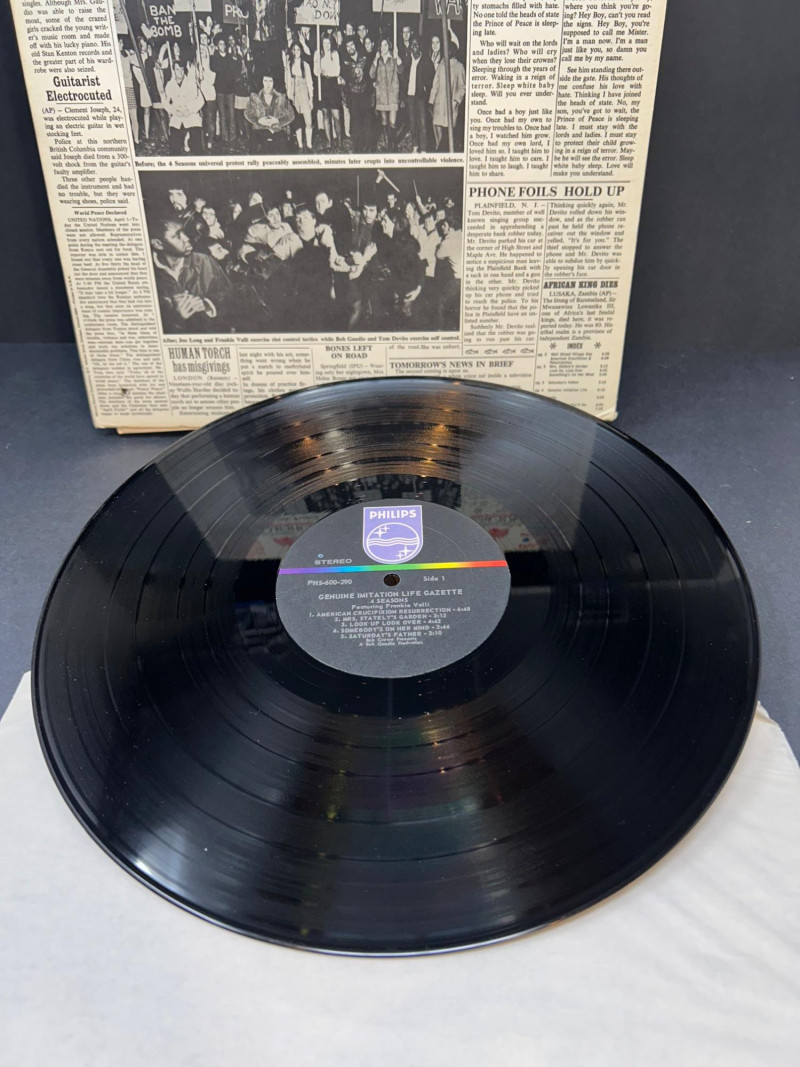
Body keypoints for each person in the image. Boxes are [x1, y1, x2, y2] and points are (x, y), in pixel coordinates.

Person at [150, 216, 232, 332]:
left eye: (183, 232)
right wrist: (174, 317)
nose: (186, 238)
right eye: (177, 235)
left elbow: (230, 296)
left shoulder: (204, 261)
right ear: (158, 244)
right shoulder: (149, 273)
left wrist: (207, 304)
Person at [429, 42, 466, 150]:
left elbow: (463, 87)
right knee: (437, 127)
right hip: (439, 104)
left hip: (451, 106)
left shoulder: (459, 67)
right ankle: (438, 150)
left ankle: (445, 151)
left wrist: (456, 101)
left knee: (448, 133)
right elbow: (435, 85)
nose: (447, 52)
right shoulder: (441, 65)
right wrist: (431, 101)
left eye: (449, 50)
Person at [163, 62, 204, 154]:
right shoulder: (170, 85)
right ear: (173, 71)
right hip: (177, 116)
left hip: (191, 115)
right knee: (174, 147)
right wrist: (173, 111)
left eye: (182, 69)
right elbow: (165, 102)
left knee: (197, 147)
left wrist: (190, 110)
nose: (180, 72)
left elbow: (201, 100)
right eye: (177, 69)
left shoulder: (191, 83)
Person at [244, 73, 295, 148]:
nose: (268, 84)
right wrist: (258, 120)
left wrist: (278, 120)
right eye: (265, 81)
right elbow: (247, 112)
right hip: (260, 130)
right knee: (256, 148)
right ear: (262, 82)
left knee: (281, 147)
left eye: (270, 81)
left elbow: (291, 115)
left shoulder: (281, 97)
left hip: (277, 130)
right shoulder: (255, 97)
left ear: (274, 82)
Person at [403, 39, 434, 152]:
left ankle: (424, 149)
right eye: (413, 44)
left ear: (420, 46)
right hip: (410, 96)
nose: (414, 46)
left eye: (416, 44)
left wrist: (425, 88)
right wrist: (403, 96)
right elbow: (403, 77)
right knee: (412, 124)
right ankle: (415, 147)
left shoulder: (426, 60)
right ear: (410, 47)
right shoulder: (408, 60)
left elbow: (431, 77)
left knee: (423, 123)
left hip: (421, 97)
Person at [370, 38, 401, 151]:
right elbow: (371, 74)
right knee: (384, 120)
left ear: (389, 46)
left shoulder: (393, 58)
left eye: (385, 45)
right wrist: (375, 59)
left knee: (393, 122)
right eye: (381, 45)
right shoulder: (378, 60)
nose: (383, 48)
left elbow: (401, 70)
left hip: (392, 94)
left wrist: (397, 58)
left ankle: (392, 145)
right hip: (382, 95)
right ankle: (387, 143)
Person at [341, 39, 371, 153]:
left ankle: (368, 147)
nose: (350, 48)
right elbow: (345, 78)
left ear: (355, 45)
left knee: (367, 122)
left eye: (351, 45)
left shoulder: (364, 57)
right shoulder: (345, 62)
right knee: (355, 122)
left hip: (365, 95)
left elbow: (369, 74)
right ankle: (358, 148)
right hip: (353, 96)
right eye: (347, 46)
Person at [314, 32, 342, 149]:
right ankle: (329, 141)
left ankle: (339, 142)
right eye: (324, 43)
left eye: (328, 43)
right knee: (325, 114)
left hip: (333, 85)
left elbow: (337, 71)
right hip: (323, 86)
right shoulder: (318, 54)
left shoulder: (335, 54)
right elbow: (316, 72)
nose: (326, 46)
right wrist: (319, 71)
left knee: (336, 116)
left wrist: (325, 71)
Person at [284, 41, 313, 151]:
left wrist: (311, 99)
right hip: (294, 94)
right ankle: (300, 144)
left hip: (304, 93)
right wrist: (289, 95)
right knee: (297, 121)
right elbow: (288, 81)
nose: (296, 52)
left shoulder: (305, 65)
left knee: (308, 120)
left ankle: (309, 144)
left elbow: (310, 83)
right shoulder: (289, 64)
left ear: (301, 51)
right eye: (294, 50)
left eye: (298, 50)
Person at [211, 37, 238, 144]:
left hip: (230, 89)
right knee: (222, 114)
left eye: (223, 44)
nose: (222, 46)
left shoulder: (230, 57)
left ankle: (233, 137)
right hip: (220, 90)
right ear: (217, 46)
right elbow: (214, 69)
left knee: (231, 114)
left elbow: (234, 71)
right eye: (220, 44)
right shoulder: (214, 58)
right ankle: (225, 137)